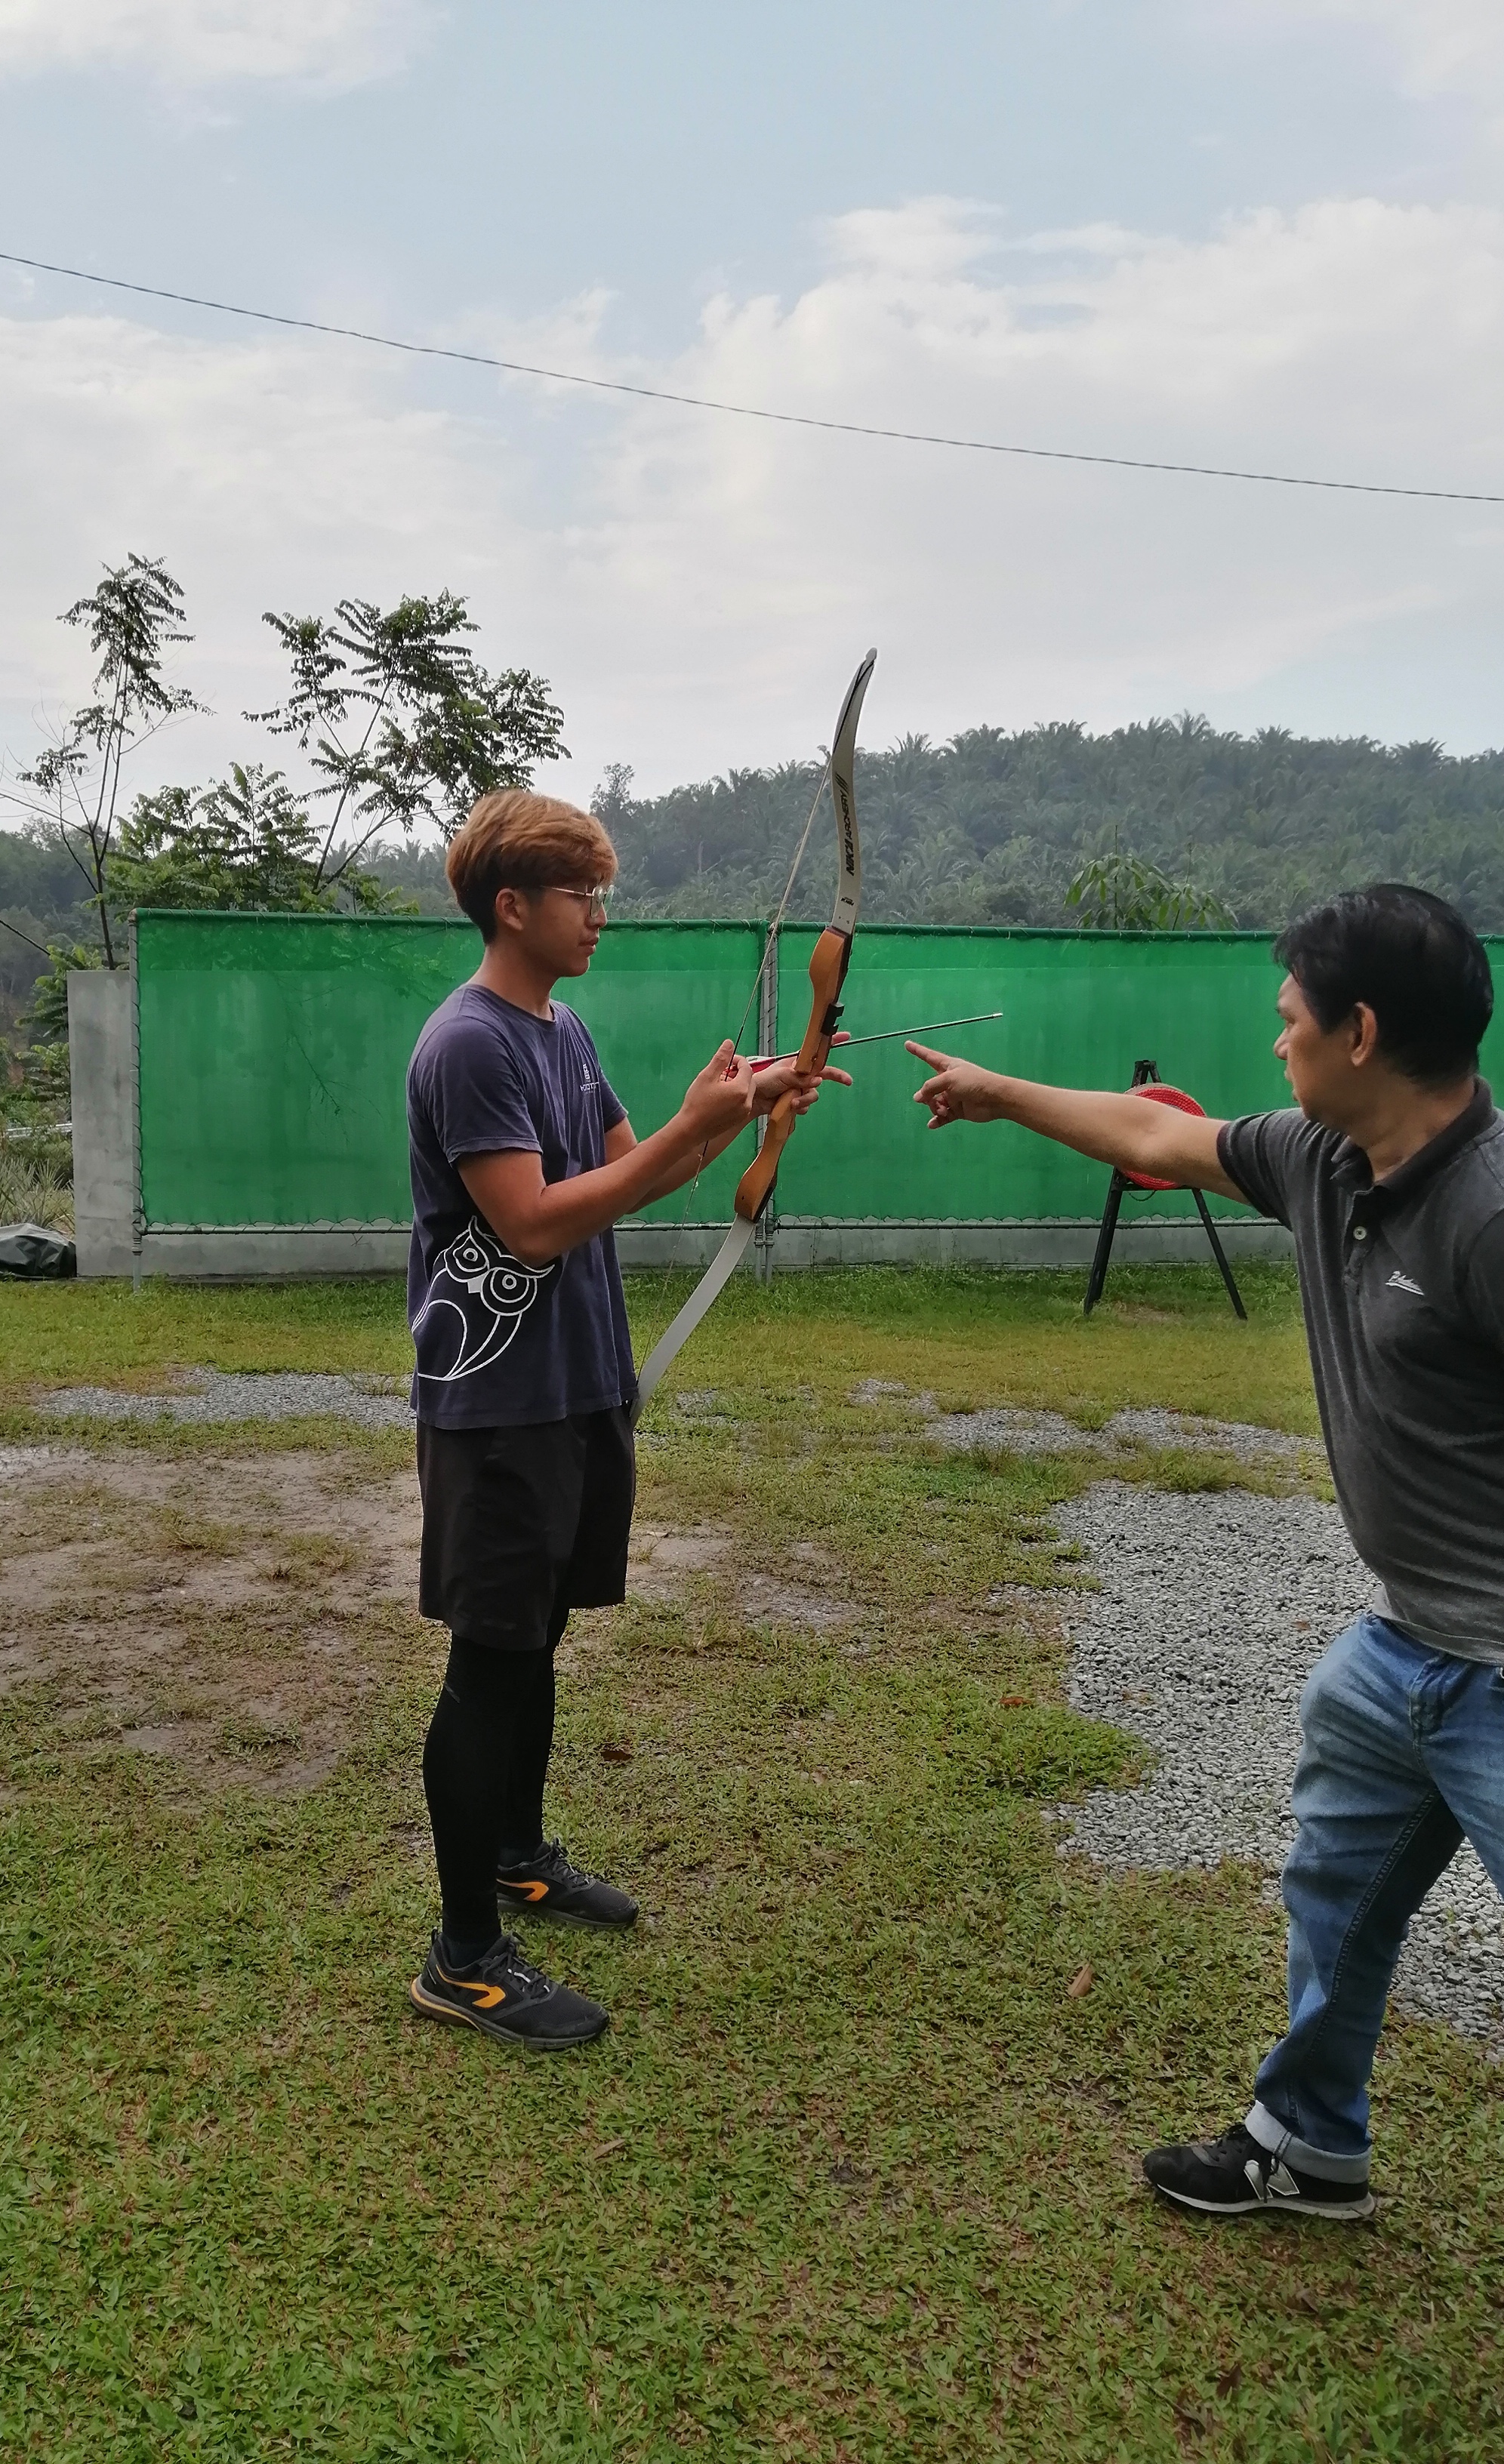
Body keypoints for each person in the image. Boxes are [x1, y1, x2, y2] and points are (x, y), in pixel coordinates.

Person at [907, 882, 1502, 2218]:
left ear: (1360, 1033)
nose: (1273, 1032)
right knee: (1336, 1901)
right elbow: (1156, 1138)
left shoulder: (1489, 1216)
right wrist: (1000, 1091)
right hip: (1403, 1644)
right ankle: (1309, 2146)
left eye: (1292, 1016)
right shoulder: (1325, 1157)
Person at [405, 787, 843, 2049]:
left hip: (580, 1385)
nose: (601, 913)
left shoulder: (565, 1031)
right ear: (513, 906)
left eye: (600, 891)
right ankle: (463, 1955)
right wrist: (708, 1127)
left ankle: (518, 1855)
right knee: (490, 1659)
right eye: (581, 894)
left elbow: (622, 1175)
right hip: (497, 1404)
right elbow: (535, 1221)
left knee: (535, 1637)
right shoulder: (469, 1044)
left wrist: (740, 1114)